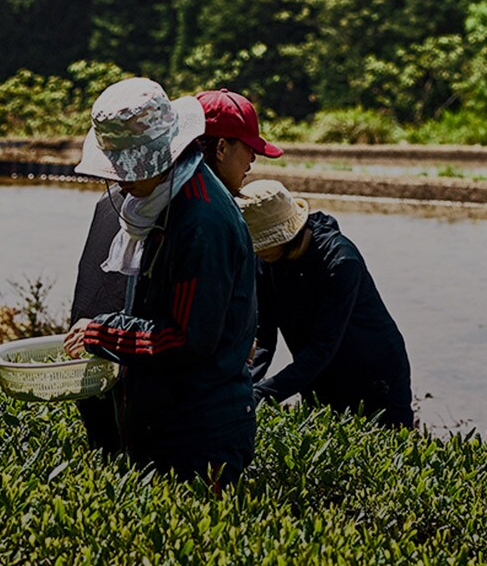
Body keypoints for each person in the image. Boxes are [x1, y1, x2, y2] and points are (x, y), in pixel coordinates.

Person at [62, 78, 258, 480]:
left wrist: (103, 334)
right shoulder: (158, 202)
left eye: (127, 168)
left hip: (197, 436)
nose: (118, 181)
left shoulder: (201, 222)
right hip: (162, 419)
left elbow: (187, 340)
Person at [237, 180, 415, 429]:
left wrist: (263, 394)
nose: (257, 251)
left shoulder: (340, 261)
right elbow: (264, 335)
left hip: (373, 374)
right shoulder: (266, 261)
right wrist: (243, 387)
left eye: (263, 244)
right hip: (317, 371)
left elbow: (323, 346)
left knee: (384, 450)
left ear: (287, 235)